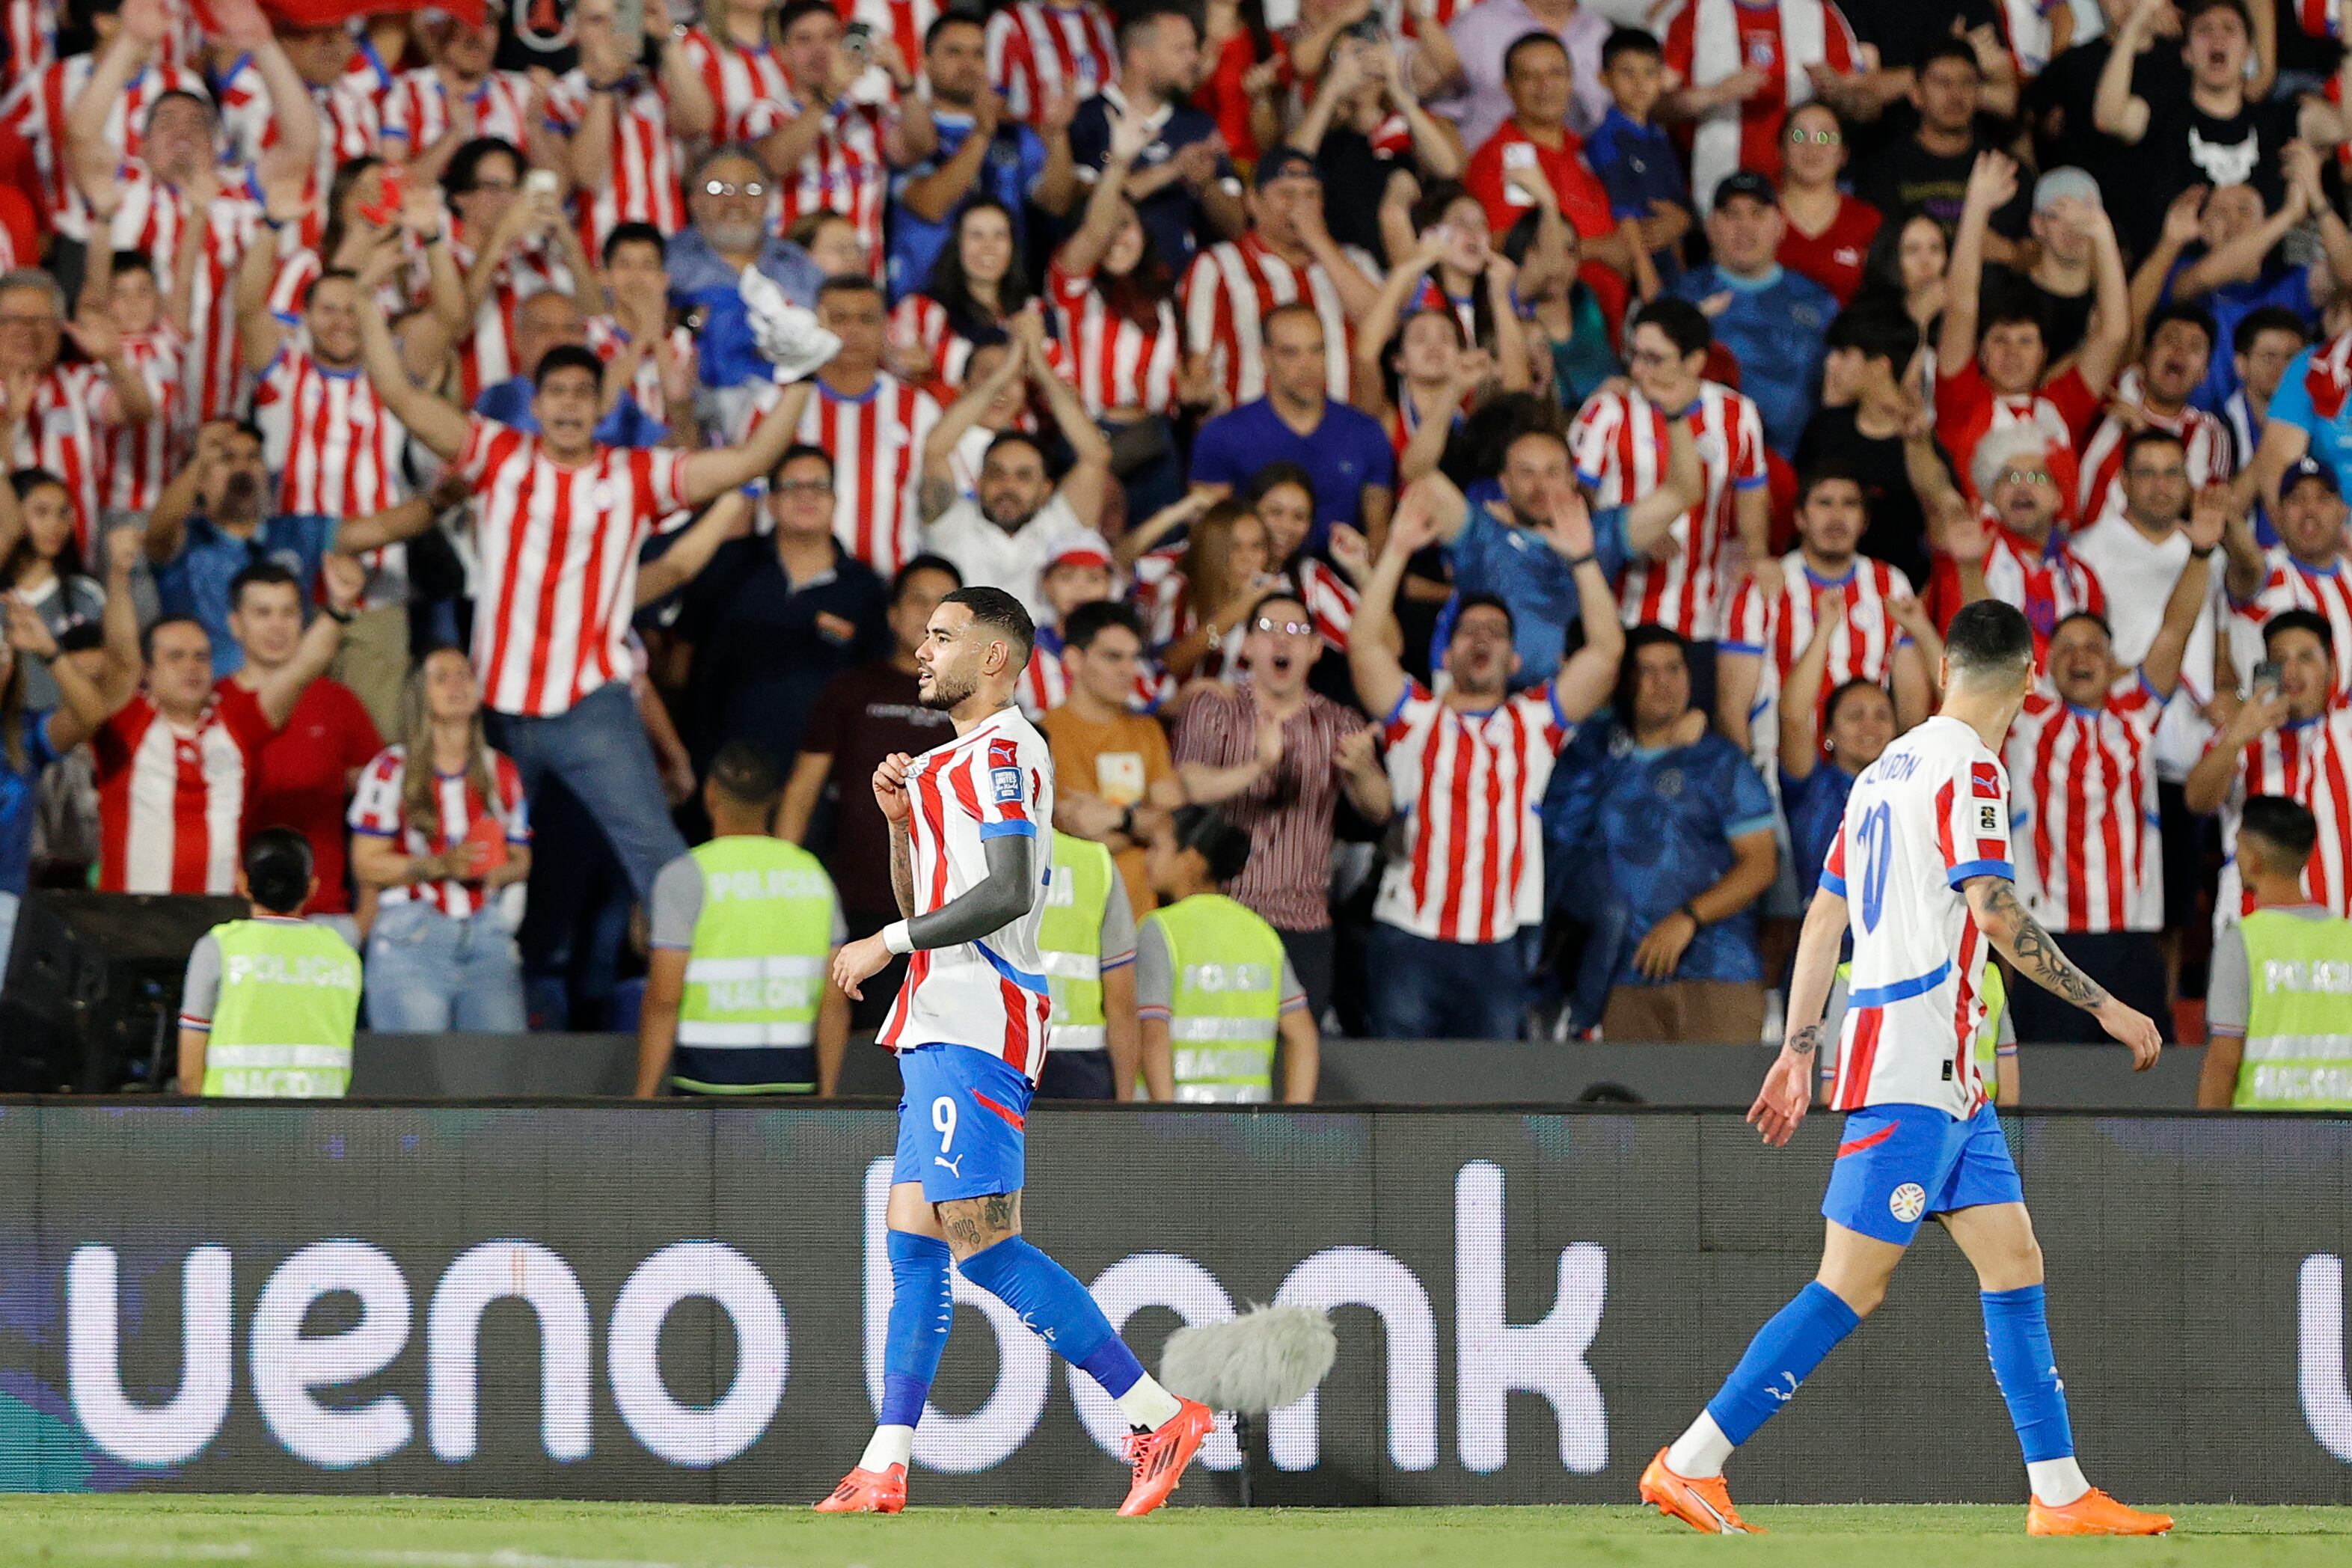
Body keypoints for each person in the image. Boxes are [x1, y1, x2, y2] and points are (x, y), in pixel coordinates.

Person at [1640, 599, 2172, 1539]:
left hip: (1947, 1075)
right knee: (1851, 1282)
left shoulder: (1883, 771)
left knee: (2014, 1261)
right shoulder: (1970, 764)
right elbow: (1998, 912)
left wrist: (1798, 1047)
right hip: (1916, 1066)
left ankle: (2058, 1491)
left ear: (1944, 672)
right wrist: (2110, 1005)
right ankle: (1690, 1462)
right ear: (2031, 677)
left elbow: (1821, 920)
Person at [818, 585, 1214, 1516]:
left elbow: (1001, 895)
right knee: (914, 1243)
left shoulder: (1007, 751)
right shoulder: (954, 759)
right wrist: (898, 822)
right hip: (936, 1018)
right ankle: (886, 1462)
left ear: (994, 657)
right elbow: (932, 891)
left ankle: (1158, 1411)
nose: (923, 649)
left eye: (943, 636)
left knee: (985, 1246)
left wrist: (887, 941)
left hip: (977, 1016)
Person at [354, 239, 834, 909]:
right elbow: (399, 395)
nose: (572, 404)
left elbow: (748, 462)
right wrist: (362, 302)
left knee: (659, 861)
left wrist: (801, 379)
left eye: (585, 392)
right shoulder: (497, 452)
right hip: (495, 709)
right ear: (537, 399)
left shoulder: (632, 474)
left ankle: (694, 995)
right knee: (479, 861)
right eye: (558, 392)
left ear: (602, 406)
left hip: (592, 704)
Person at [1350, 487, 1622, 1039]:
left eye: (1496, 634)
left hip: (1496, 944)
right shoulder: (1415, 717)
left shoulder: (1533, 723)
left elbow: (1606, 654)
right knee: (1403, 1104)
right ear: (1446, 655)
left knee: (1490, 1116)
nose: (1482, 639)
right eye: (1468, 631)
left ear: (1515, 659)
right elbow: (1364, 647)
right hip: (1408, 936)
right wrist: (1398, 551)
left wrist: (1584, 561)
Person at [2002, 497, 2220, 1044]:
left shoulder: (2137, 713)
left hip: (2131, 938)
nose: (2080, 656)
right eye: (2067, 647)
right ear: (2045, 666)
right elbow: (1995, 646)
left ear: (2112, 659)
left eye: (2093, 647)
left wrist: (2200, 553)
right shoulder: (2029, 716)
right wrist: (1964, 563)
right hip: (2047, 940)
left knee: (2140, 1099)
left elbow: (2175, 630)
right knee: (2049, 1098)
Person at [83, 551, 357, 897]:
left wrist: (338, 609)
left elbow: (301, 671)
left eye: (201, 656)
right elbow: (121, 655)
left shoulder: (235, 721)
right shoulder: (124, 724)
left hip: (219, 922)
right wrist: (119, 577)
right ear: (148, 671)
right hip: (133, 923)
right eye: (176, 657)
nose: (192, 667)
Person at [1175, 589, 1390, 1022]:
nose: (1281, 641)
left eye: (1295, 631)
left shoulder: (1338, 722)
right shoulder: (1217, 707)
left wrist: (1365, 771)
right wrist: (1259, 766)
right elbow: (1188, 786)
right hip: (1222, 913)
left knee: (1296, 1061)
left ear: (1314, 649)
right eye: (1269, 630)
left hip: (1302, 924)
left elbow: (1379, 810)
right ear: (1248, 645)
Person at [1567, 628, 1778, 1041]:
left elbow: (1761, 864)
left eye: (1674, 669)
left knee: (1723, 1107)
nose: (1664, 681)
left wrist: (1687, 919)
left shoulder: (1720, 761)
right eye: (1648, 671)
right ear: (1625, 682)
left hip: (1719, 972)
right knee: (1627, 1107)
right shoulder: (1597, 763)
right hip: (1623, 978)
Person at [780, 556, 963, 1030]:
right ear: (892, 614)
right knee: (862, 1054)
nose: (928, 616)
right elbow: (803, 791)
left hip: (951, 909)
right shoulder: (850, 690)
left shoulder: (974, 703)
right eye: (918, 601)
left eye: (942, 606)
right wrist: (782, 876)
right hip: (859, 904)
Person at [638, 741, 851, 1099]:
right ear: (776, 798)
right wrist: (826, 1098)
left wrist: (643, 1098)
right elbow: (834, 1002)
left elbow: (663, 999)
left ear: (710, 794)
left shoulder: (685, 875)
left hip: (705, 1082)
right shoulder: (810, 873)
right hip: (793, 1081)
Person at [674, 445, 892, 780]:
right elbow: (679, 662)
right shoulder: (727, 564)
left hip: (817, 780)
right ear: (771, 502)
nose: (806, 496)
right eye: (792, 486)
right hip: (716, 768)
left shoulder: (865, 590)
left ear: (835, 500)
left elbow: (871, 691)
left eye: (818, 486)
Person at [1569, 298, 1765, 667]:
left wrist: (1754, 558)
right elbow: (1572, 503)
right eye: (1635, 356)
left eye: (1655, 359)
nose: (1639, 370)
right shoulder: (1607, 411)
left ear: (1694, 362)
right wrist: (1630, 528)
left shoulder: (1738, 415)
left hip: (1705, 616)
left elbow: (1752, 507)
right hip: (1618, 611)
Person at [348, 648, 533, 1033]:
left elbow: (522, 857)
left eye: (464, 674)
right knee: (415, 1080)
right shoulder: (389, 770)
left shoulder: (501, 770)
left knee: (499, 1082)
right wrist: (442, 865)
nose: (456, 684)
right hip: (410, 937)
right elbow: (366, 862)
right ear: (420, 693)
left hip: (488, 937)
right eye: (441, 677)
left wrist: (499, 870)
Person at [1935, 147, 2131, 508]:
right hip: (1984, 556)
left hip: (2056, 558)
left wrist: (2101, 234)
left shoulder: (2060, 405)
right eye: (2001, 341)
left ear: (2043, 354)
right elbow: (1960, 308)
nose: (2013, 352)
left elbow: (2114, 332)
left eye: (2026, 342)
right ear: (1981, 353)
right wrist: (1976, 207)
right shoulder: (1962, 402)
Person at [1718, 463, 1931, 772]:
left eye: (1850, 504)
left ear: (1864, 521)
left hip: (1867, 769)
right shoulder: (1765, 587)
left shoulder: (1890, 584)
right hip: (1781, 770)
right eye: (1824, 503)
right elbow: (1732, 706)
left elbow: (1912, 696)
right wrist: (1749, 789)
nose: (1837, 517)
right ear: (1800, 518)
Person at [221, 563, 382, 942]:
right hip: (240, 919)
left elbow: (380, 801)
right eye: (262, 613)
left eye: (289, 612)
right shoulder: (216, 708)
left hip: (325, 919)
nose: (277, 626)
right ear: (235, 624)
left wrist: (366, 914)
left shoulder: (338, 703)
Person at [921, 319, 1114, 620]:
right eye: (997, 474)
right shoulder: (952, 524)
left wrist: (1037, 363)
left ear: (1046, 489)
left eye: (1024, 476)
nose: (1008, 485)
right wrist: (1006, 371)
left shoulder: (1060, 526)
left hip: (1043, 664)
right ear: (980, 481)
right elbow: (935, 448)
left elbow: (1095, 456)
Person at [888, 12, 1074, 307]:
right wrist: (982, 134)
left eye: (979, 54)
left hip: (1000, 304)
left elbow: (1055, 202)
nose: (968, 64)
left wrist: (1058, 135)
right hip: (922, 303)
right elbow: (931, 204)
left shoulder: (1015, 133)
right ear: (925, 62)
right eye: (954, 52)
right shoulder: (910, 130)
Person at [1136, 803, 1316, 1101]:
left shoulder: (1160, 930)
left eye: (1156, 848)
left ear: (1191, 859)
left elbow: (1154, 1035)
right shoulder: (1262, 933)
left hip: (1181, 1130)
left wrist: (1166, 1126)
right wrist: (1292, 1125)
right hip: (1248, 1131)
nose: (1147, 859)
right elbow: (1303, 1037)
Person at [2185, 609, 2352, 924]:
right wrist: (2236, 739)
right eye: (2279, 659)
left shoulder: (2348, 733)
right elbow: (2197, 801)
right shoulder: (2238, 736)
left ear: (2331, 668)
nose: (2291, 670)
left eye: (2305, 657)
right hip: (2251, 933)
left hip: (2338, 939)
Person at [2093, 0, 2330, 222]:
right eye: (2204, 31)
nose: (2217, 40)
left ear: (2249, 50)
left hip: (2263, 266)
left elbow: (2344, 122)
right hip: (2181, 264)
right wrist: (2137, 20)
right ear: (2186, 54)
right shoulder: (2166, 114)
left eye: (2229, 29)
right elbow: (2109, 117)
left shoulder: (2273, 118)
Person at [1180, 146, 1379, 410]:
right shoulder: (1217, 265)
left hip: (1338, 434)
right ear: (1253, 200)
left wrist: (1318, 240)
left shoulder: (1354, 261)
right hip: (1253, 433)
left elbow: (1378, 325)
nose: (1299, 207)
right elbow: (1196, 362)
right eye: (1287, 195)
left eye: (1311, 195)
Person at [174, 827, 361, 1100]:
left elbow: (190, 1076)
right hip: (317, 1130)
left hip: (232, 1128)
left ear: (242, 883)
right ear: (312, 888)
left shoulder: (218, 948)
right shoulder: (343, 956)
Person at [1188, 301, 1394, 547]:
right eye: (1290, 353)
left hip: (1344, 578)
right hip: (1252, 577)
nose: (1306, 365)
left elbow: (1378, 540)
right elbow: (1210, 540)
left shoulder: (1367, 434)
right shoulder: (1222, 435)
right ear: (1265, 358)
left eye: (1316, 350)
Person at [2198, 796, 2352, 1109]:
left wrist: (2207, 1152)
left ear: (2254, 858)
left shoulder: (2242, 941)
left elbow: (2224, 1060)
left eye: (2239, 844)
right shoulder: (2346, 939)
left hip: (2265, 1142)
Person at [1667, 170, 1836, 457]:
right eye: (1731, 215)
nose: (1744, 227)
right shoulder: (1679, 300)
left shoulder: (1819, 301)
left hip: (1802, 469)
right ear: (1710, 226)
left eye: (1757, 213)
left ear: (1780, 225)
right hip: (1708, 463)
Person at [1066, 4, 1241, 274]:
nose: (1194, 58)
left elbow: (1237, 227)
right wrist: (1172, 169)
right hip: (1112, 294)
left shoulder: (1198, 125)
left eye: (1193, 48)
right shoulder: (1088, 119)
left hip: (1186, 290)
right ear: (1140, 58)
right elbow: (1082, 207)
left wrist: (1207, 184)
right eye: (1180, 50)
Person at [1042, 601, 1185, 922]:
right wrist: (1143, 825)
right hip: (1078, 914)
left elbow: (1171, 820)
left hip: (1145, 913)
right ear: (1073, 660)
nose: (1129, 670)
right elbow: (1084, 830)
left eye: (1134, 657)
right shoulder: (1047, 733)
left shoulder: (1147, 731)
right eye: (1112, 657)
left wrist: (1119, 818)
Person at [1795, 301, 1953, 588]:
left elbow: (1942, 518)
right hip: (1815, 588)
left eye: (1844, 354)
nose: (1831, 363)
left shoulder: (1925, 449)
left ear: (1880, 365)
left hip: (1900, 597)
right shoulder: (1824, 428)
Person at [1658, 0, 1863, 215]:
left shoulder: (1817, 12)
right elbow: (1655, 107)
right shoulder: (1696, 10)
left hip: (1802, 202)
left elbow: (1863, 103)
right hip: (1715, 195)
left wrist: (1837, 90)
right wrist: (1714, 94)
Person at [546, 0, 712, 257]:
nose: (611, 30)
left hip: (667, 259)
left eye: (619, 18)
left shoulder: (657, 85)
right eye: (597, 21)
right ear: (573, 28)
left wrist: (667, 38)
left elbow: (701, 122)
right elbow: (587, 175)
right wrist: (604, 86)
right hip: (598, 259)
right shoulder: (560, 95)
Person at [1936, 426, 2107, 667]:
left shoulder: (2082, 579)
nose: (2023, 488)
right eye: (2010, 477)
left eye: (2037, 477)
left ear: (2060, 495)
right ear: (1992, 495)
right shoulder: (1969, 550)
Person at [1855, 40, 2029, 248]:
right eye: (1941, 82)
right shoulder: (1883, 171)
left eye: (1966, 82)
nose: (1956, 94)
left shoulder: (2007, 171)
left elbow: (2033, 251)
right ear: (1916, 94)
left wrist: (2008, 253)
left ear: (1979, 93)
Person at [2074, 308, 2230, 530]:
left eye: (2194, 346)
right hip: (2075, 548)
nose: (2180, 351)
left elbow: (2205, 512)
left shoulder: (2209, 432)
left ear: (2204, 373)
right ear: (2146, 353)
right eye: (2170, 339)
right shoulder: (2110, 388)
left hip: (2150, 560)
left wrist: (2143, 434)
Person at [2223, 456, 2352, 696]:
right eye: (2297, 499)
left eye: (2323, 499)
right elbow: (2247, 563)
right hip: (2267, 728)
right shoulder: (2265, 571)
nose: (2310, 511)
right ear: (2277, 513)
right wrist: (2228, 514)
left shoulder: (2349, 578)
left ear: (2342, 511)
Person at [1418, 0, 1614, 153]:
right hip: (1485, 177)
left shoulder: (1601, 33)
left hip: (1578, 180)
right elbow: (1438, 115)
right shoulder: (1477, 23)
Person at [1035, 827, 1141, 1100]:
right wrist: (1124, 1106)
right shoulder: (1095, 862)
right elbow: (1122, 1002)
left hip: (995, 1054)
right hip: (1080, 1067)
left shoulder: (968, 852)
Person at [1584, 27, 1693, 289]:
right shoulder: (1607, 138)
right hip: (1634, 268)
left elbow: (1672, 207)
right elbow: (1624, 211)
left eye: (1650, 72)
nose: (1640, 83)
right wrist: (1644, 274)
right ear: (1604, 78)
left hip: (1669, 263)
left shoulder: (1659, 136)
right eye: (1627, 72)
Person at [1774, 102, 1878, 307]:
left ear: (1843, 154)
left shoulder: (1868, 222)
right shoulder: (1756, 216)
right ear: (1781, 151)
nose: (1812, 147)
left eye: (1825, 137)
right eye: (1799, 136)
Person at [989, 0, 1119, 128]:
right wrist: (1045, 124)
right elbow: (989, 108)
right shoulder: (1010, 21)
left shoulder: (1102, 19)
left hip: (1113, 140)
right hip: (1037, 141)